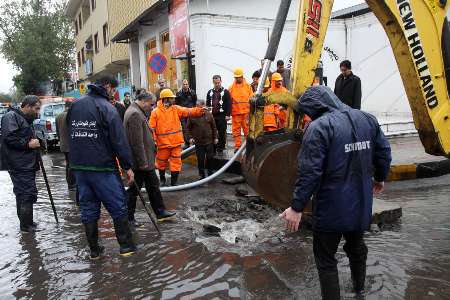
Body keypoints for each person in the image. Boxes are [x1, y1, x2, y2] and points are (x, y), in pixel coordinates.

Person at [279, 86, 391, 299]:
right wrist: (380, 177)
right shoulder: (367, 118)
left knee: (326, 260)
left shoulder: (319, 127)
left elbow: (309, 171)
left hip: (331, 207)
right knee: (357, 249)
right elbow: (384, 152)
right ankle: (359, 291)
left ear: (315, 107)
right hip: (360, 204)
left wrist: (297, 207)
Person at [68, 75, 136, 259]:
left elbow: (69, 133)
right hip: (102, 168)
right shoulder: (107, 108)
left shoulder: (76, 105)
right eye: (113, 90)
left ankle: (94, 251)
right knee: (118, 206)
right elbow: (119, 140)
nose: (114, 94)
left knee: (88, 209)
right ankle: (127, 248)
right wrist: (127, 166)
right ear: (107, 87)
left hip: (80, 169)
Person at [123, 91, 176, 225]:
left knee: (153, 186)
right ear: (144, 101)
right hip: (141, 162)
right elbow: (137, 142)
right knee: (134, 190)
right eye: (151, 104)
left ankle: (160, 212)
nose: (152, 107)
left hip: (144, 160)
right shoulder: (135, 113)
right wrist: (142, 163)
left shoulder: (136, 111)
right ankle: (128, 218)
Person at [1, 95, 41, 233]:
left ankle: (26, 222)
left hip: (25, 163)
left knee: (24, 193)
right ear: (28, 106)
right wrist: (28, 144)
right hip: (19, 164)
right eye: (36, 108)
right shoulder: (11, 117)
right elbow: (9, 138)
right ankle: (26, 227)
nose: (38, 112)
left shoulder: (26, 118)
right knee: (26, 194)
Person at [150, 88, 206, 186]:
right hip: (163, 144)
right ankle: (162, 179)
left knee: (176, 163)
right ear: (165, 99)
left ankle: (174, 182)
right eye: (171, 98)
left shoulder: (175, 109)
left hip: (175, 143)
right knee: (161, 163)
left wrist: (200, 110)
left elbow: (188, 111)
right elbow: (151, 128)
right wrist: (154, 141)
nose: (173, 100)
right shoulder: (155, 112)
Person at [186, 99, 218, 179]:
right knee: (200, 159)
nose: (197, 107)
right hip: (198, 142)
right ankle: (201, 174)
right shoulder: (192, 115)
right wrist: (190, 138)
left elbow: (214, 127)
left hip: (209, 141)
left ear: (203, 106)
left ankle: (210, 173)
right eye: (196, 106)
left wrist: (216, 137)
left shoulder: (209, 114)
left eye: (198, 106)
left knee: (210, 158)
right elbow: (187, 128)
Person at [206, 75, 231, 155]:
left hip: (222, 115)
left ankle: (221, 147)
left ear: (221, 81)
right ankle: (214, 146)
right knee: (213, 131)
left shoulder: (226, 92)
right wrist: (207, 114)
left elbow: (229, 104)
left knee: (222, 131)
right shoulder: (209, 92)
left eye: (218, 82)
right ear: (213, 82)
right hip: (212, 115)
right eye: (215, 83)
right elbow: (207, 104)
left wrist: (228, 115)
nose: (217, 84)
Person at [229, 68, 253, 151]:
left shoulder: (248, 86)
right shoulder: (231, 88)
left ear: (242, 76)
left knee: (247, 131)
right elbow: (229, 101)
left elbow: (252, 99)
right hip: (236, 113)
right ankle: (237, 146)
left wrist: (251, 112)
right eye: (236, 77)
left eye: (238, 77)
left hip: (246, 113)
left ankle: (249, 146)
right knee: (236, 131)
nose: (237, 79)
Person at [56, 99, 76, 190]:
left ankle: (70, 183)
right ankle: (72, 184)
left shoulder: (58, 116)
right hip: (71, 145)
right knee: (72, 165)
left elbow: (57, 132)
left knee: (68, 164)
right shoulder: (71, 115)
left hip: (63, 145)